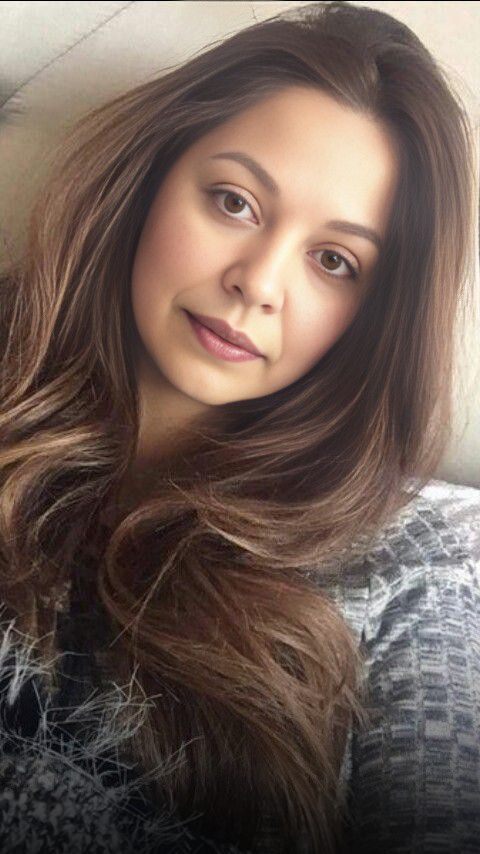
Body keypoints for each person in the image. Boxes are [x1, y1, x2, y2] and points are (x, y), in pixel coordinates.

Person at [0, 1, 478, 852]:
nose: (258, 282)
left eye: (334, 261)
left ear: (377, 317)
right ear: (148, 180)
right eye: (234, 202)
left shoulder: (424, 559)